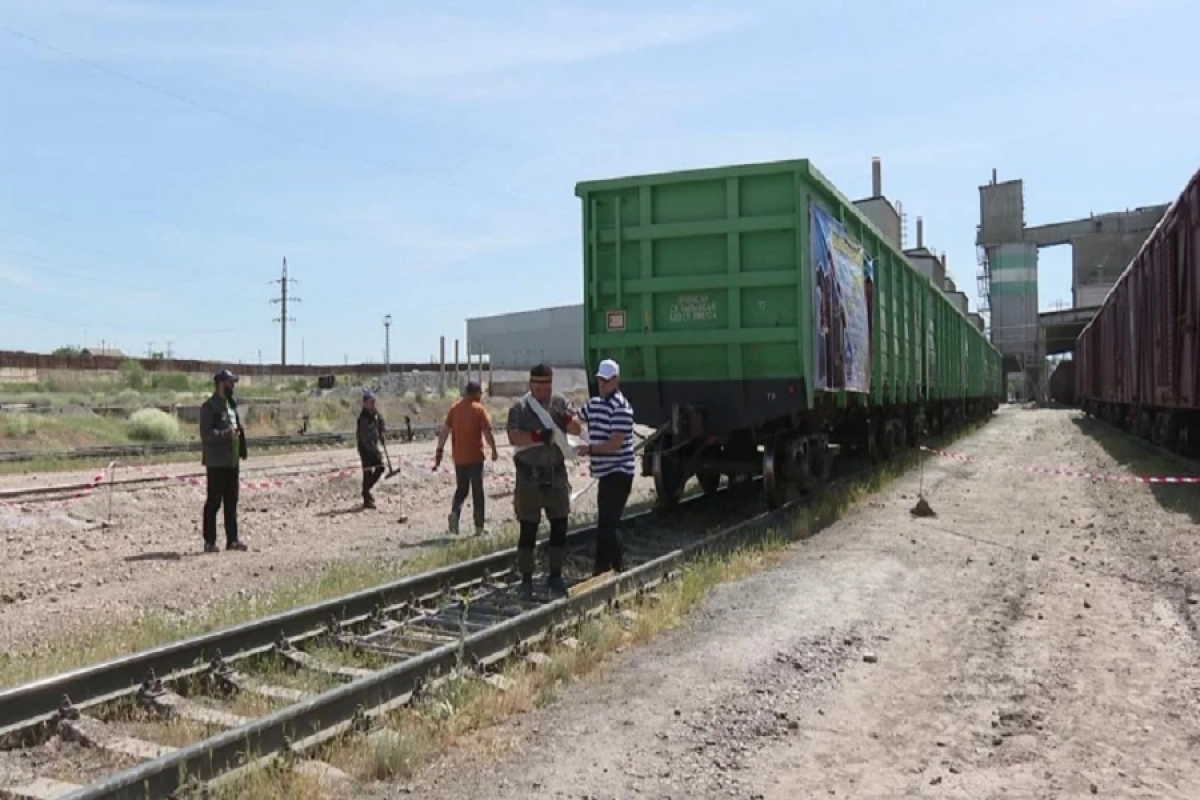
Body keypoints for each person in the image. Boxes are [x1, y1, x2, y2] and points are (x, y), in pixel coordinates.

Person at [507, 363, 582, 597]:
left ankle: (555, 575)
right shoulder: (520, 407)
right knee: (528, 528)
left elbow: (577, 429)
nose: (543, 391)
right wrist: (537, 436)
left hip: (556, 474)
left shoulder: (559, 403)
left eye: (547, 386)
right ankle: (526, 579)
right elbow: (513, 436)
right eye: (538, 387)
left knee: (560, 525)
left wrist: (567, 419)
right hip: (529, 476)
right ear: (531, 384)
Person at [576, 358, 636, 575]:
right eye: (601, 380)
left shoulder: (621, 408)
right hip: (605, 472)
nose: (602, 384)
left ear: (616, 381)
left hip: (619, 472)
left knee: (607, 523)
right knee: (607, 522)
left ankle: (604, 569)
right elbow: (576, 419)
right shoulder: (594, 404)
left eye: (607, 380)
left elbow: (615, 444)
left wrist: (590, 449)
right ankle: (615, 567)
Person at [433, 380, 498, 536]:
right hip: (475, 457)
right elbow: (487, 433)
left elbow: (444, 432)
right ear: (475, 393)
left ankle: (455, 513)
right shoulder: (479, 409)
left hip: (459, 457)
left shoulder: (454, 409)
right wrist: (494, 450)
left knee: (461, 489)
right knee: (477, 491)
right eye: (480, 393)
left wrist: (439, 451)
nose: (481, 396)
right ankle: (479, 527)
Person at [199, 368, 248, 553]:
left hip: (232, 461)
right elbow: (206, 433)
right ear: (221, 384)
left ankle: (232, 540)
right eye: (230, 382)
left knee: (231, 502)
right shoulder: (209, 407)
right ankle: (209, 542)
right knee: (214, 503)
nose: (233, 386)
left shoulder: (231, 405)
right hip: (216, 463)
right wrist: (226, 434)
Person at [356, 389, 386, 509]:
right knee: (367, 473)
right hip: (365, 449)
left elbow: (381, 421)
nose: (373, 403)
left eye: (373, 401)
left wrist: (382, 432)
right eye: (370, 402)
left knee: (380, 467)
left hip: (373, 446)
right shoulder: (363, 418)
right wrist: (376, 451)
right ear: (365, 403)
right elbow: (366, 439)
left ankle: (366, 491)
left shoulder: (375, 413)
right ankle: (366, 499)